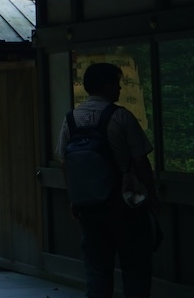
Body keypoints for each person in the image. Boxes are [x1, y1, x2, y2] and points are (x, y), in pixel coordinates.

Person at [58, 62, 157, 298]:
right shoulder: (121, 117)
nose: (120, 89)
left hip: (89, 208)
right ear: (106, 85)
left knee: (97, 270)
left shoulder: (70, 120)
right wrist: (151, 195)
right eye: (117, 83)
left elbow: (65, 162)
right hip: (126, 206)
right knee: (135, 268)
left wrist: (74, 198)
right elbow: (141, 161)